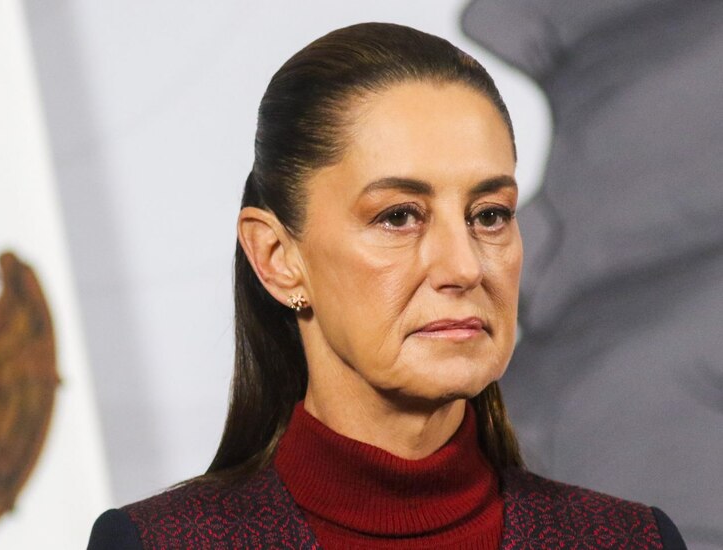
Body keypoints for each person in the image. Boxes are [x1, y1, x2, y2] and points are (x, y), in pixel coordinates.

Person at [87, 22, 686, 549]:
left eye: (489, 214)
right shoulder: (159, 543)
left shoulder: (635, 540)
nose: (465, 267)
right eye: (399, 215)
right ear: (277, 257)